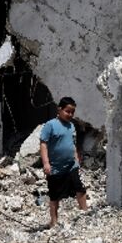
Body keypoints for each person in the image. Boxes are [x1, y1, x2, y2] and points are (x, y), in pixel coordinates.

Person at [39, 97, 88, 228]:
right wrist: (46, 163)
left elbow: (73, 143)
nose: (70, 114)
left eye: (72, 112)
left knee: (80, 188)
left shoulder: (71, 126)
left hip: (71, 165)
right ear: (59, 109)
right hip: (55, 167)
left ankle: (86, 214)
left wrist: (76, 159)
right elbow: (43, 144)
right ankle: (54, 222)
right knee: (54, 196)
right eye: (67, 111)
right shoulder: (50, 125)